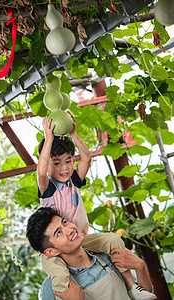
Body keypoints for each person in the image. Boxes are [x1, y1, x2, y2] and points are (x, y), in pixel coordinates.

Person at [36, 114, 156, 300]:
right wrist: (48, 139)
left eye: (68, 161)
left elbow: (87, 158)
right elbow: (41, 170)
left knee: (113, 240)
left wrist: (74, 134)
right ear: (48, 164)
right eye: (57, 163)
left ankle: (132, 287)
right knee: (60, 280)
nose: (64, 168)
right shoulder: (48, 190)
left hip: (81, 239)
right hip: (54, 251)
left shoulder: (73, 182)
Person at [26, 207, 157, 300]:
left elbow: (142, 295)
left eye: (65, 222)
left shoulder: (108, 257)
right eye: (59, 232)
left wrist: (140, 267)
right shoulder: (51, 288)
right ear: (51, 252)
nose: (69, 230)